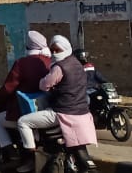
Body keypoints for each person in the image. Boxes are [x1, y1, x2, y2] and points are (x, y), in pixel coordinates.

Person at [16, 35, 97, 172]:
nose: (54, 53)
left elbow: (44, 85)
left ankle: (31, 156)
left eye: (57, 50)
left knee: (23, 122)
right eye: (52, 50)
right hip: (82, 112)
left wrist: (44, 82)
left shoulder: (59, 67)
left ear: (65, 49)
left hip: (62, 112)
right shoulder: (77, 64)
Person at [0, 31, 51, 166]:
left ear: (28, 46)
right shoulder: (51, 62)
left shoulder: (22, 63)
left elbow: (8, 88)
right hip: (49, 111)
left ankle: (11, 155)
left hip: (25, 111)